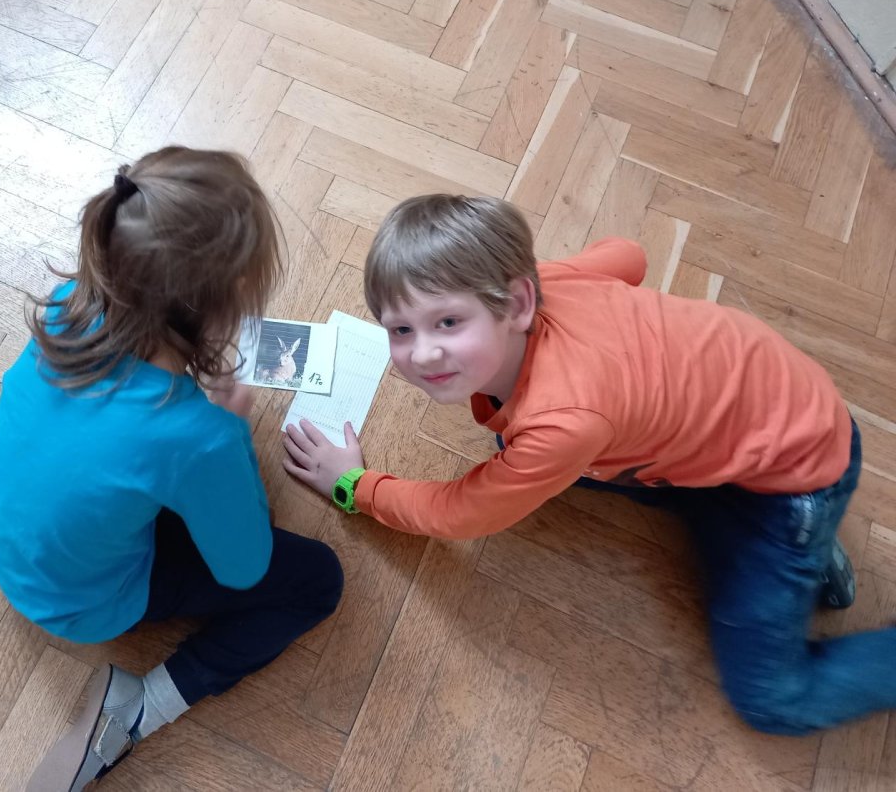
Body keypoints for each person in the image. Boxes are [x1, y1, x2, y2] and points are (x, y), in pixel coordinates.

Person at [283, 193, 895, 737]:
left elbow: (460, 514)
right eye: (400, 329)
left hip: (796, 479)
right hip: (767, 411)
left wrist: (354, 485)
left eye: (448, 321)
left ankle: (806, 550)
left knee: (771, 701)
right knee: (524, 455)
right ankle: (791, 558)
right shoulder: (545, 284)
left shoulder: (562, 422)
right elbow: (628, 255)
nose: (422, 354)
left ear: (518, 302)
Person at [0, 148, 343, 790]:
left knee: (140, 484)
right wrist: (230, 429)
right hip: (84, 602)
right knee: (317, 579)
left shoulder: (65, 304)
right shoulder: (199, 436)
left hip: (0, 536)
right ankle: (144, 708)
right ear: (219, 308)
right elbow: (244, 568)